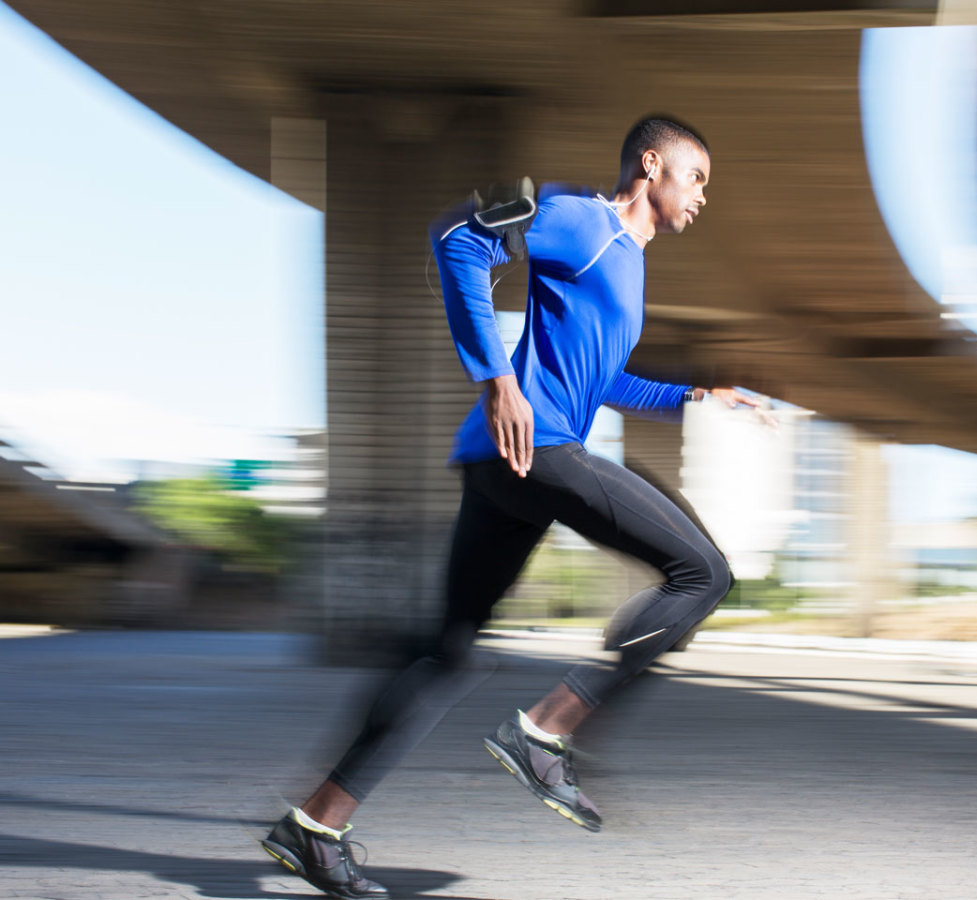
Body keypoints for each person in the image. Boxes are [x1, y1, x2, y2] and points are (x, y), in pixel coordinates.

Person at [260, 115, 767, 900]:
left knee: (444, 652)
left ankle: (316, 826)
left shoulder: (627, 263)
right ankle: (547, 733)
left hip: (507, 463)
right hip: (539, 451)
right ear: (652, 163)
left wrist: (695, 394)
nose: (704, 196)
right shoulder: (583, 220)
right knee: (703, 572)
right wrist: (497, 381)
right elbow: (460, 238)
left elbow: (602, 382)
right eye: (697, 177)